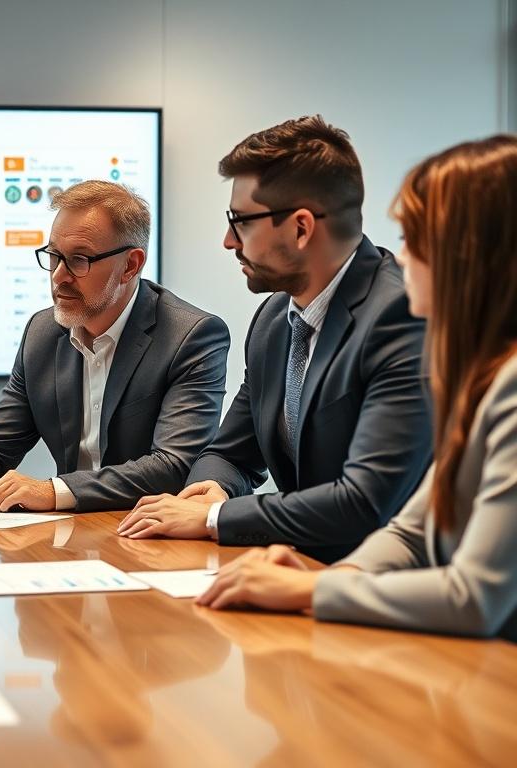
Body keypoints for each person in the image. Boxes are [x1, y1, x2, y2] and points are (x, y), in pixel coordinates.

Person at [196, 135, 517, 641]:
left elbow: (474, 597)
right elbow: (412, 529)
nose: (403, 257)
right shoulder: (480, 376)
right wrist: (333, 579)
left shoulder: (505, 385)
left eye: (416, 239)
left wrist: (310, 591)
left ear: (470, 260)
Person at [119, 116, 431, 563]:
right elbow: (230, 453)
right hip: (293, 575)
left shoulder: (401, 316)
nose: (228, 241)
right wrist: (210, 489)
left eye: (240, 222)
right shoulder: (273, 319)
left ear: (301, 228)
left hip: (383, 595)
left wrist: (216, 518)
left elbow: (365, 503)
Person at [0, 180, 230, 513]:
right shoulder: (42, 332)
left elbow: (174, 466)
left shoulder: (191, 336)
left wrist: (54, 491)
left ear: (130, 265)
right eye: (54, 256)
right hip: (73, 536)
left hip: (155, 537)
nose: (58, 276)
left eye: (79, 260)